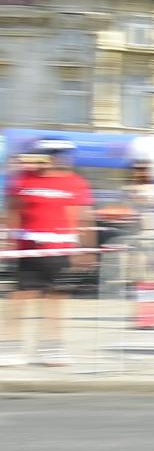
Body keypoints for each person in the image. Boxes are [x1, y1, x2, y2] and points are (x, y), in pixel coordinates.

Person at [2, 140, 96, 366]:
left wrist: (87, 249)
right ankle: (10, 347)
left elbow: (83, 218)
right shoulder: (22, 180)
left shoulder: (75, 183)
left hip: (60, 249)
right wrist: (7, 242)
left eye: (57, 155)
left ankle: (52, 348)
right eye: (46, 154)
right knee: (21, 297)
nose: (53, 159)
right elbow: (13, 212)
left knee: (55, 297)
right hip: (28, 249)